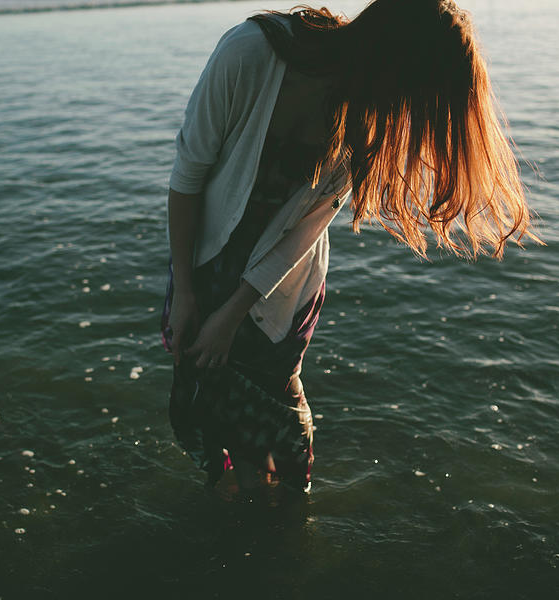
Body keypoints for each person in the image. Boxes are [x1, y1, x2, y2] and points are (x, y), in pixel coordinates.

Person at [161, 0, 537, 496]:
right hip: (206, 264)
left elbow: (303, 232)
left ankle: (265, 540)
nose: (404, 110)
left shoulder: (365, 115)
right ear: (389, 58)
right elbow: (188, 176)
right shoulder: (248, 54)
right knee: (209, 404)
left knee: (282, 440)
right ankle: (232, 524)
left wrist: (232, 314)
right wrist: (187, 292)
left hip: (278, 286)